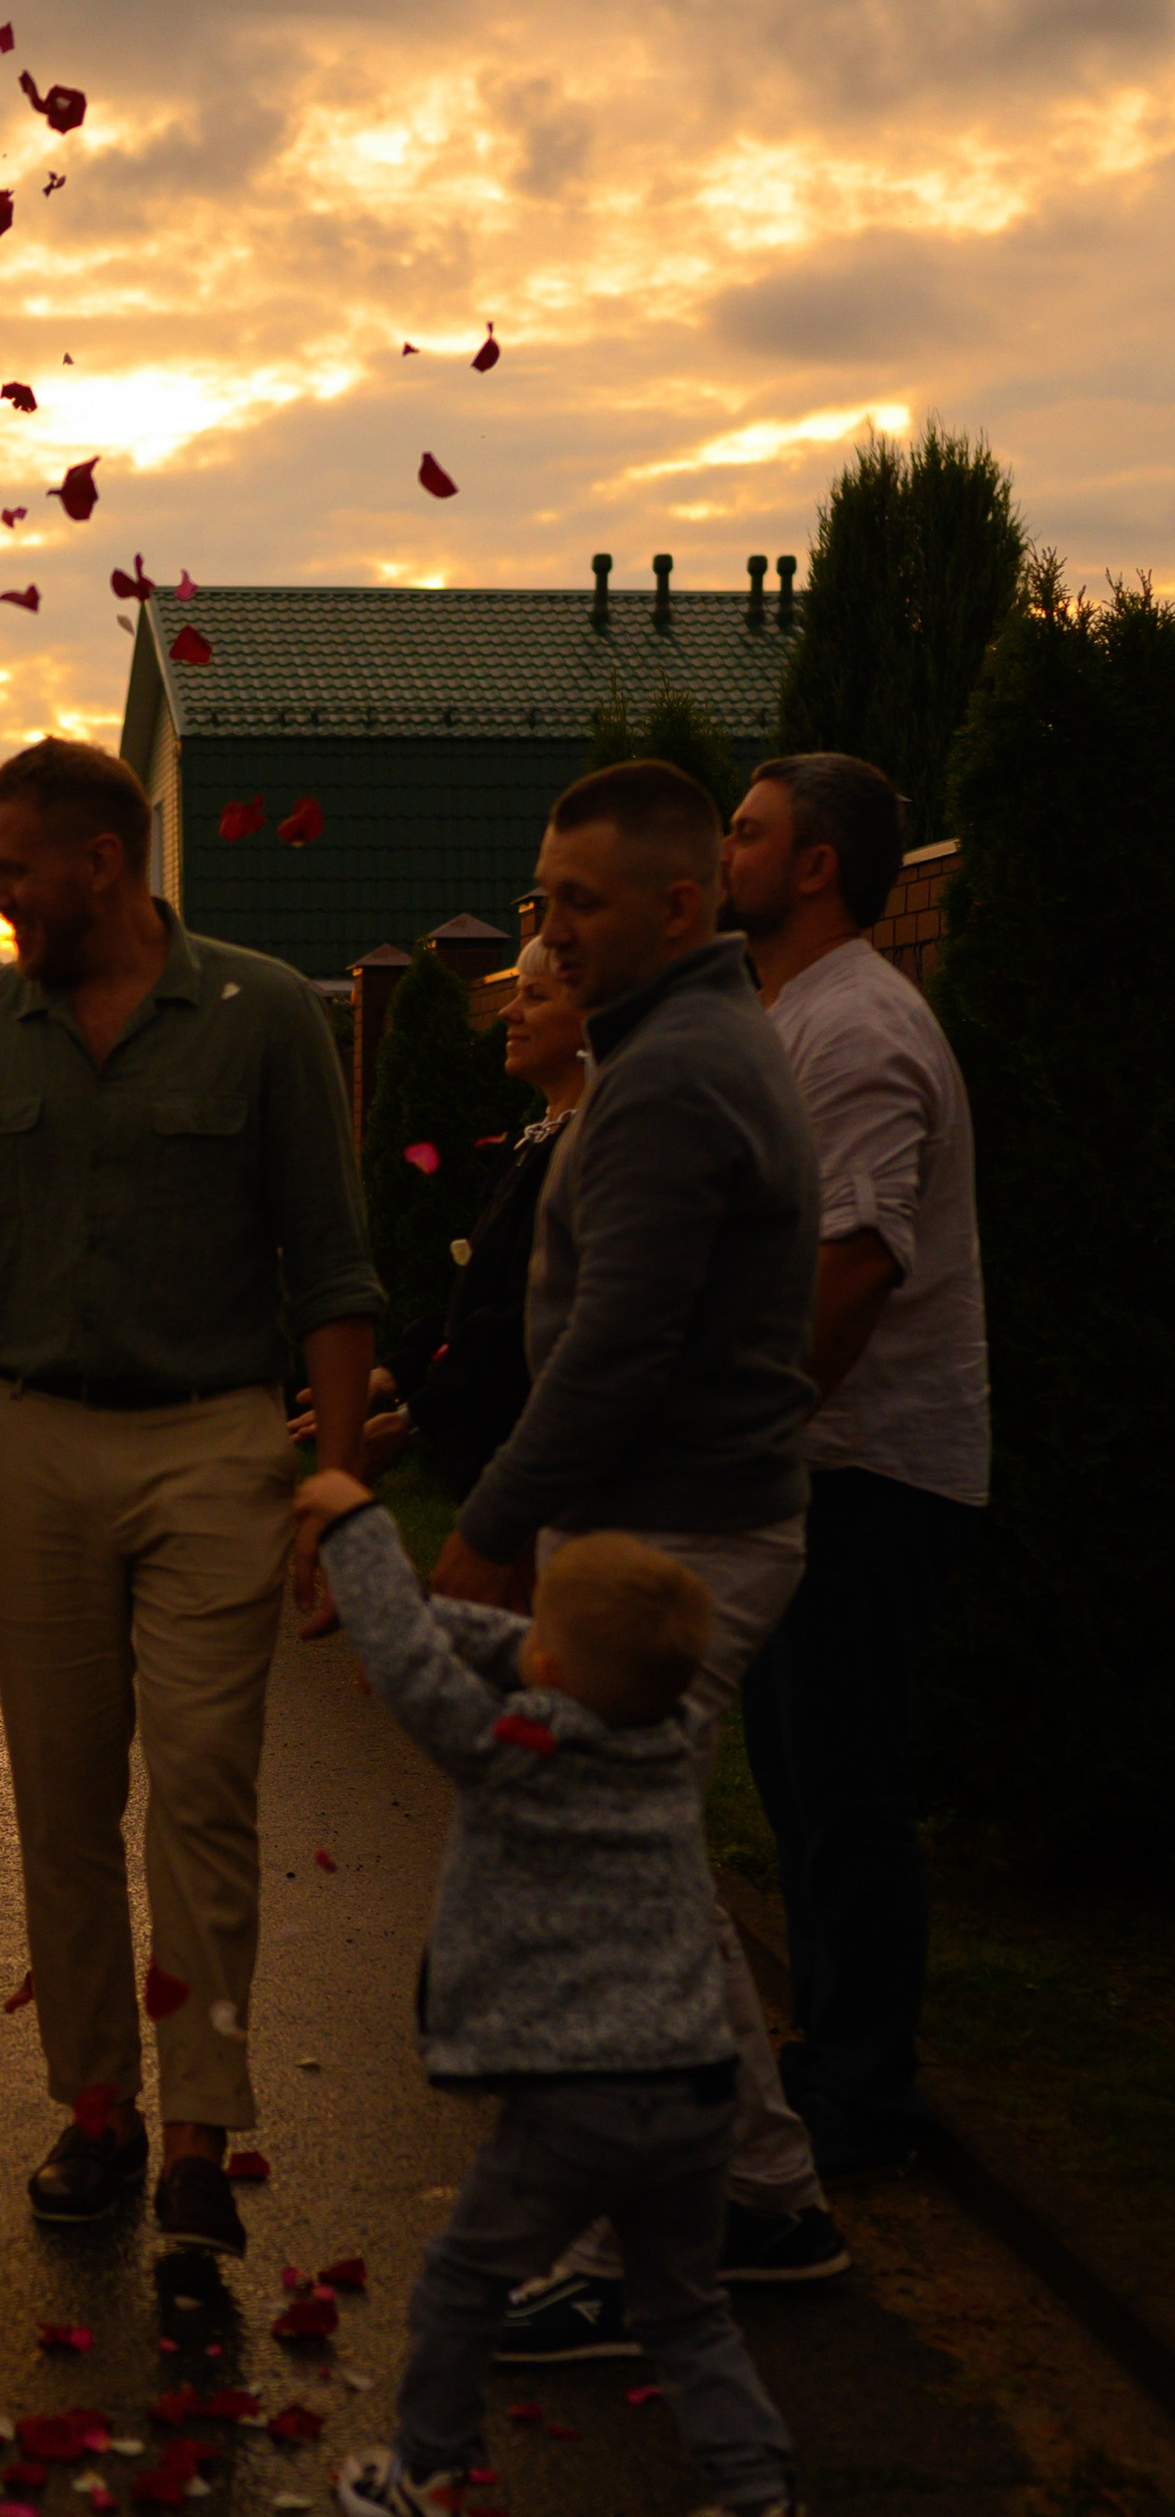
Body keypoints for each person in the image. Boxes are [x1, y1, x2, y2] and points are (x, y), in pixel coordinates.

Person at [0, 736, 379, 2257]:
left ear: (104, 859)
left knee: (204, 1786)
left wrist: (333, 1485)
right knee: (63, 1797)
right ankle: (97, 2112)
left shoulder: (264, 1015)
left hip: (214, 1439)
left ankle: (203, 2132)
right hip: (28, 1444)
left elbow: (332, 1268)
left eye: (17, 864)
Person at [428, 759, 847, 2362]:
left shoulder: (673, 1079)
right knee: (640, 1872)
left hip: (684, 1534)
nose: (551, 930)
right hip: (683, 1518)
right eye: (543, 896)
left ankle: (628, 2242)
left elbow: (617, 1355)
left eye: (580, 902)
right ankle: (762, 2194)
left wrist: (488, 1538)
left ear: (682, 906)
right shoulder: (679, 1048)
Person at [299, 1478, 827, 2517]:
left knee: (460, 2280)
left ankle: (427, 2487)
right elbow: (504, 1643)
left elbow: (414, 1673)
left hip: (578, 2099)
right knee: (684, 2305)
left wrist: (355, 1534)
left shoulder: (517, 1749)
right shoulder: (673, 1731)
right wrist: (431, 1607)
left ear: (547, 1668)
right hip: (694, 2088)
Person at [720, 756, 988, 2175]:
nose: (726, 849)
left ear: (816, 866)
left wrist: (750, 1442)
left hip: (864, 1469)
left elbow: (856, 1265)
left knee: (846, 1785)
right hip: (813, 1461)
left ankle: (865, 2089)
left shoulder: (861, 1032)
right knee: (801, 1778)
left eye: (749, 831)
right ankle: (829, 2045)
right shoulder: (795, 1015)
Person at [377, 940, 589, 1514]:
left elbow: (531, 1318)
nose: (506, 1013)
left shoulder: (591, 1150)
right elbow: (475, 1299)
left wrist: (414, 1415)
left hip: (542, 1479)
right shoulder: (529, 1142)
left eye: (534, 996)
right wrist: (394, 1373)